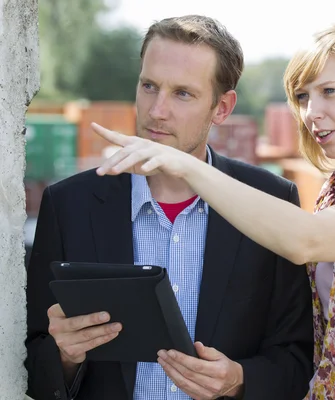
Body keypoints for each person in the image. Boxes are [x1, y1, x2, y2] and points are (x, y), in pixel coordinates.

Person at [90, 23, 335, 400]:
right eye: (303, 97)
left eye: (330, 92)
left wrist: (186, 166)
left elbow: (308, 238)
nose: (311, 112)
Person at [25, 15, 314, 400]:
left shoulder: (272, 200)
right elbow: (33, 357)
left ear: (222, 108)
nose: (157, 110)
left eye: (182, 93)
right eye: (149, 86)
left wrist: (239, 378)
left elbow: (297, 359)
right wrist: (65, 355)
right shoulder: (68, 204)